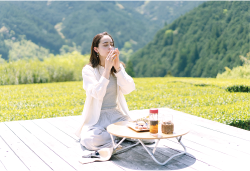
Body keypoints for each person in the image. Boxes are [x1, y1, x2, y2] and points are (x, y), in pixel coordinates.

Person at [75, 32, 135, 151]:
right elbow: (98, 93)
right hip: (97, 118)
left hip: (116, 115)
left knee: (148, 136)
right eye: (105, 45)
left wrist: (117, 68)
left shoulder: (117, 67)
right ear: (96, 49)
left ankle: (116, 136)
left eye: (111, 45)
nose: (110, 48)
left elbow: (129, 88)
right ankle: (119, 136)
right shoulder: (88, 70)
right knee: (89, 140)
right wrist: (107, 69)